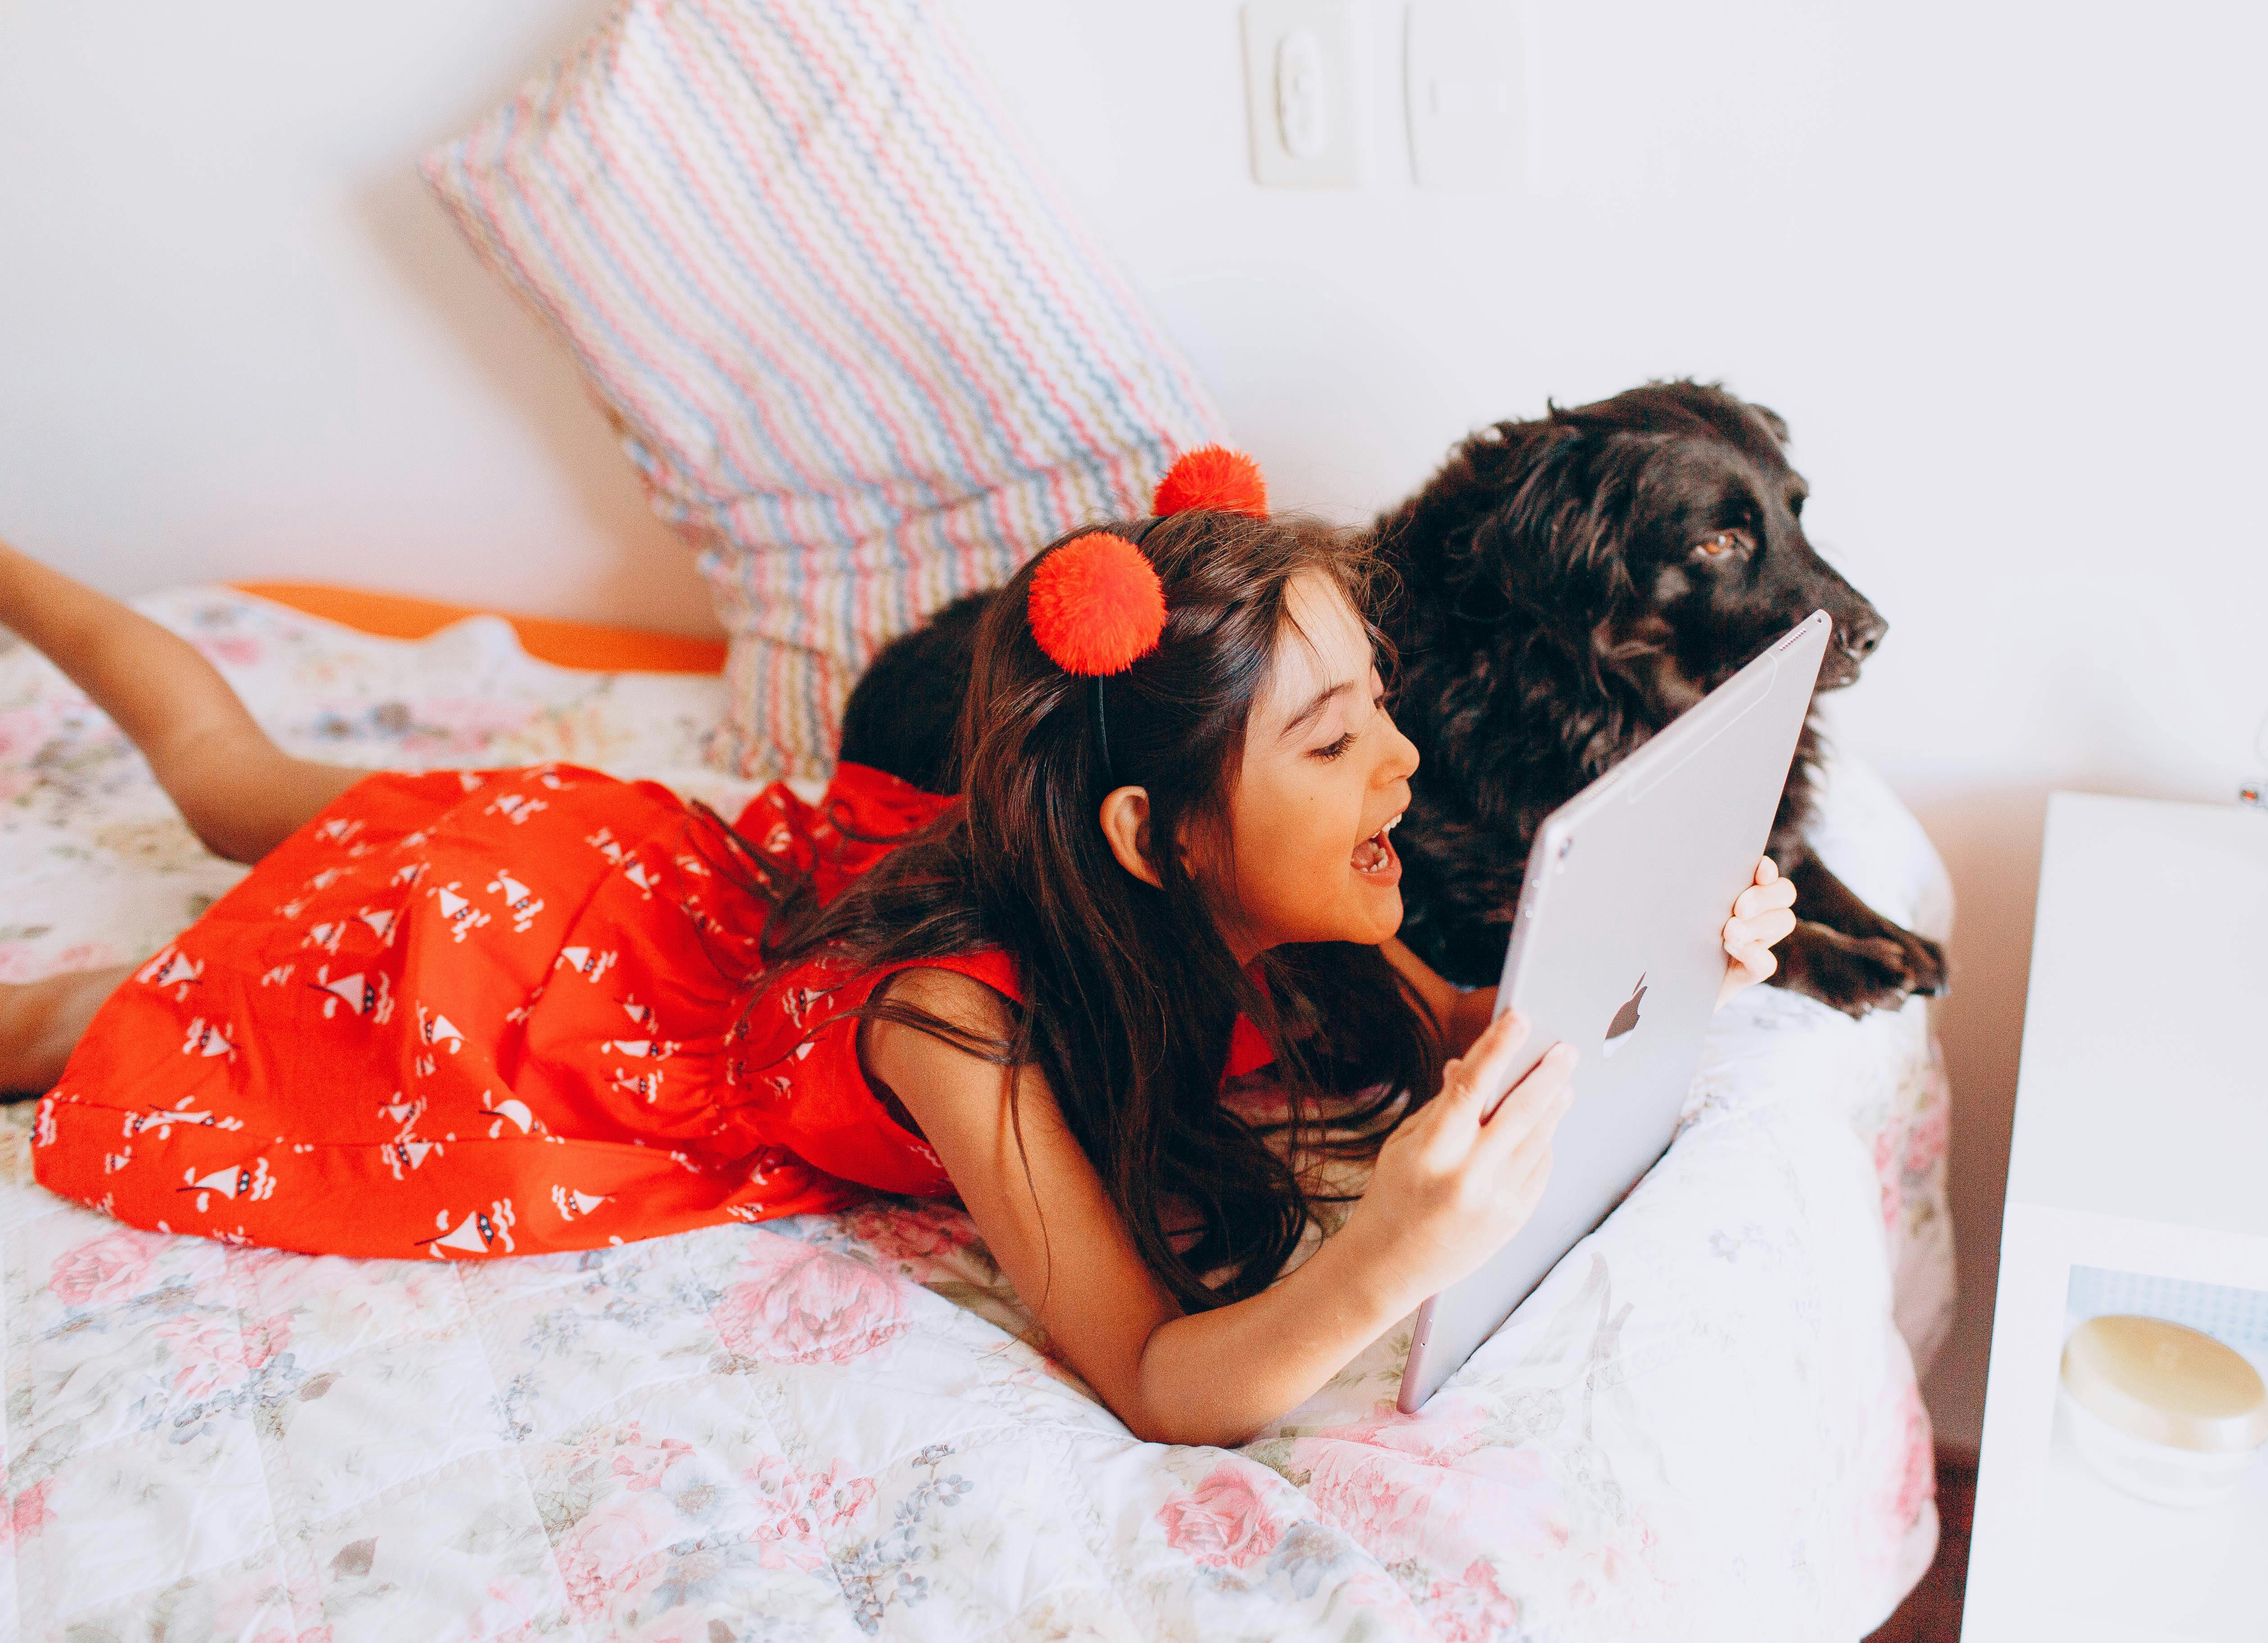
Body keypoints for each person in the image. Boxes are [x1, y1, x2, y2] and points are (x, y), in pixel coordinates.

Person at [0, 449, 1797, 1446]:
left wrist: (1685, 953)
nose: (1407, 763)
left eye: (1377, 705)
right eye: (1335, 741)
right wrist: (1383, 1259)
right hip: (542, 969)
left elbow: (1494, 1028)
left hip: (698, 876)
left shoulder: (1316, 907)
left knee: (253, 798)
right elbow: (1161, 1379)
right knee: (146, 961)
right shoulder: (962, 1024)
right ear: (1155, 839)